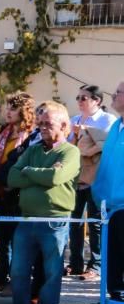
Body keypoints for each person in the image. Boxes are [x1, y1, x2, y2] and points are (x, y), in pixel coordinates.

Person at [0, 102, 80, 304]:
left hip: (54, 222)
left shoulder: (70, 152)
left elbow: (56, 176)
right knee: (19, 270)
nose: (41, 127)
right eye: (40, 123)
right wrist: (35, 174)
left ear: (63, 126)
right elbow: (12, 177)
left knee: (52, 274)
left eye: (48, 124)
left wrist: (29, 173)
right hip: (26, 218)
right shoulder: (32, 150)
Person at [0, 92, 35, 294]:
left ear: (24, 111)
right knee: (2, 238)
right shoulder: (2, 131)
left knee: (18, 239)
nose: (8, 112)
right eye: (7, 107)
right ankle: (0, 278)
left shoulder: (30, 135)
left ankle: (17, 280)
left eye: (13, 108)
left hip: (18, 191)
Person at [67, 85, 114, 281]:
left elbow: (106, 145)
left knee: (95, 223)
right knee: (74, 221)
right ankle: (75, 263)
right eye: (78, 97)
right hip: (76, 177)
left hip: (97, 177)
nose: (79, 101)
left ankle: (96, 265)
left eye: (84, 98)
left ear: (97, 101)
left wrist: (86, 131)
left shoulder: (107, 120)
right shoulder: (74, 120)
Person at [91, 81, 124, 304]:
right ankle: (113, 295)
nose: (112, 96)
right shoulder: (116, 126)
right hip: (109, 204)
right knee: (112, 253)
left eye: (118, 92)